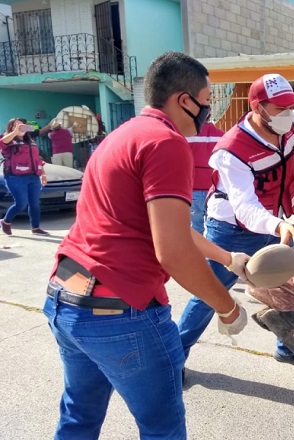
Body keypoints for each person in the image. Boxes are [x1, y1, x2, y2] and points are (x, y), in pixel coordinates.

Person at [42, 51, 250, 439]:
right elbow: (172, 251)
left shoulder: (120, 136)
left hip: (65, 296)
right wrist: (227, 307)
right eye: (206, 101)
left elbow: (167, 227)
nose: (209, 112)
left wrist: (227, 258)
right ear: (184, 100)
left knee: (79, 417)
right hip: (119, 312)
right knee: (162, 429)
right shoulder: (167, 143)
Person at [178, 73, 294, 368]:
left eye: (290, 106)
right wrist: (278, 225)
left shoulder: (288, 123)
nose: (288, 113)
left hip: (275, 221)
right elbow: (245, 207)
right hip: (231, 230)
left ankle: (286, 347)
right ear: (257, 107)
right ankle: (175, 357)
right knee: (210, 294)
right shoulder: (231, 150)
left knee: (285, 283)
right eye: (280, 107)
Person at [1, 118, 49, 236]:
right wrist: (15, 132)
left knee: (34, 203)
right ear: (11, 128)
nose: (19, 127)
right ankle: (6, 221)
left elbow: (37, 159)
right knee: (21, 203)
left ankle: (35, 228)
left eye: (22, 125)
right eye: (15, 125)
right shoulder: (8, 139)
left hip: (33, 176)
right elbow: (3, 142)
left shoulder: (31, 141)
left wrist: (43, 174)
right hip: (15, 176)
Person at [186, 121, 225, 234]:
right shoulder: (223, 137)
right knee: (214, 228)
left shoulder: (188, 137)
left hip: (193, 189)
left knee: (195, 229)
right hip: (215, 191)